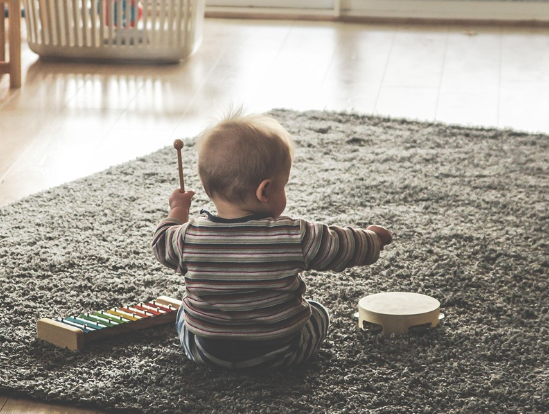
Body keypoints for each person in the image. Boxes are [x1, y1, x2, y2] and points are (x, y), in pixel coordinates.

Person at [152, 111, 392, 370]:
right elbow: (341, 245)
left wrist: (178, 210)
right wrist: (373, 239)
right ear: (265, 190)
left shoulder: (187, 237)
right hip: (281, 352)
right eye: (284, 185)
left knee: (183, 313)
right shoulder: (293, 235)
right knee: (318, 312)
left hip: (207, 352)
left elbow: (161, 241)